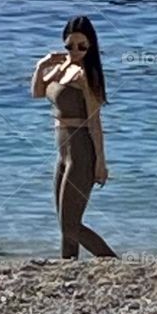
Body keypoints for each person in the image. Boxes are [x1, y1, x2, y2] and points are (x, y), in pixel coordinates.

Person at [31, 15, 117, 259]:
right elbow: (38, 92)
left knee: (71, 225)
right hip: (63, 154)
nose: (76, 51)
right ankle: (67, 267)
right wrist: (42, 64)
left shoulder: (86, 75)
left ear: (91, 46)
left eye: (82, 46)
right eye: (70, 46)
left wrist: (100, 162)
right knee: (64, 225)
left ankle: (112, 262)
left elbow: (95, 123)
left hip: (81, 155)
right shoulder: (63, 68)